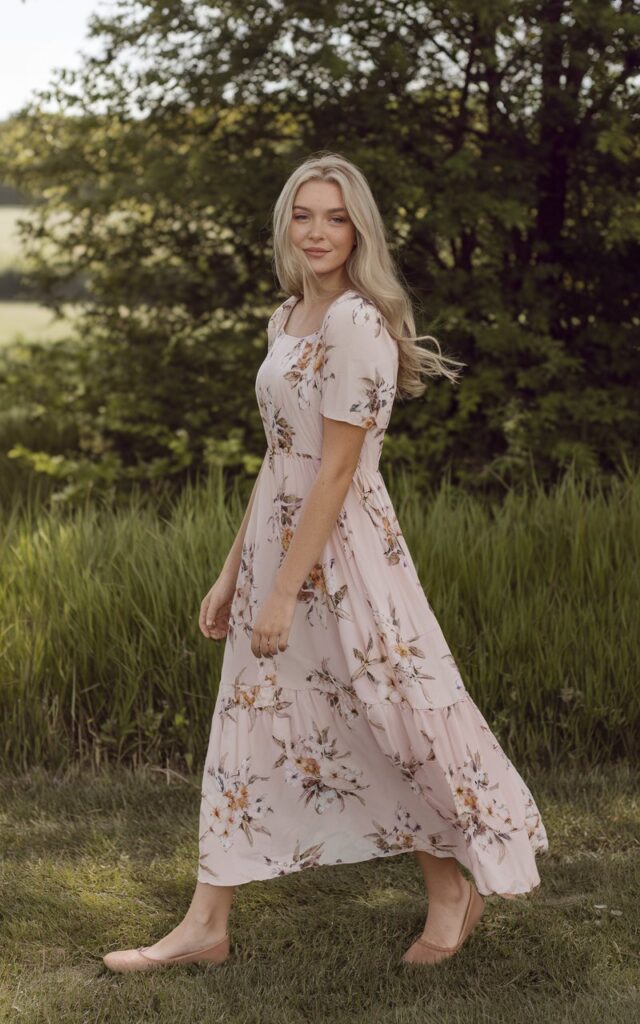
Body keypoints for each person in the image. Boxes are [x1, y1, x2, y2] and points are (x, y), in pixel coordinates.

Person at [103, 152, 548, 973]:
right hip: (276, 548)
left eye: (335, 217)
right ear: (285, 224)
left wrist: (283, 592)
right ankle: (205, 924)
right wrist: (233, 573)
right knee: (246, 721)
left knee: (388, 717)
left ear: (358, 230)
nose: (317, 231)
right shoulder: (286, 319)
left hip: (344, 557)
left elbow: (337, 472)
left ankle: (452, 888)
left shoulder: (356, 322)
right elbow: (279, 459)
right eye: (304, 215)